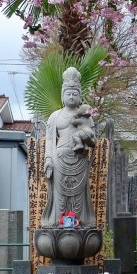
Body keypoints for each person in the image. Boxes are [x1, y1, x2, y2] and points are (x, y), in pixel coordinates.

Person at [41, 67, 96, 228]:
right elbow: (50, 141)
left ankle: (77, 223)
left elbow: (93, 139)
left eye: (75, 93)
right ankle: (60, 223)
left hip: (79, 158)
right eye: (68, 93)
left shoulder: (85, 114)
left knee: (78, 195)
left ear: (80, 96)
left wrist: (85, 137)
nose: (71, 96)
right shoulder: (55, 116)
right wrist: (48, 160)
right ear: (62, 96)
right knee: (60, 195)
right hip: (59, 159)